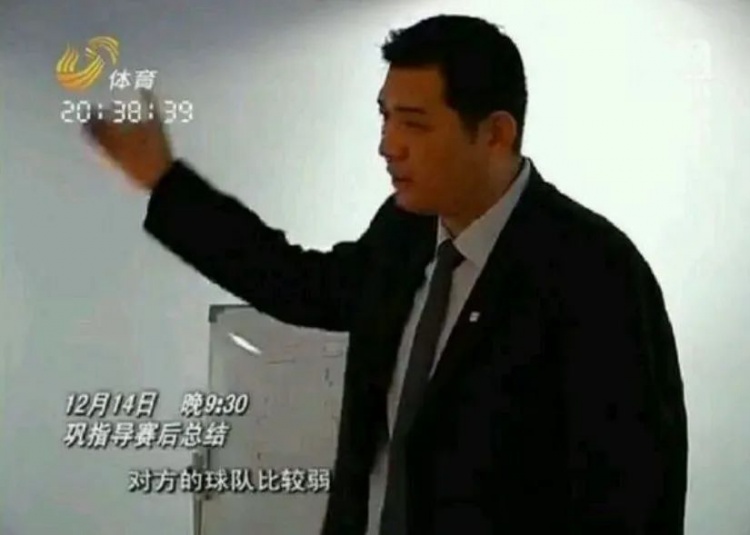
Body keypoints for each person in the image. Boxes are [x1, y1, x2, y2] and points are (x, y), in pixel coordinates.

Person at [83, 14, 688, 535]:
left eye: (414, 124)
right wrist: (165, 183)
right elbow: (300, 283)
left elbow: (632, 499)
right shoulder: (404, 232)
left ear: (496, 134)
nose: (388, 145)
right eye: (385, 117)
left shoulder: (594, 274)